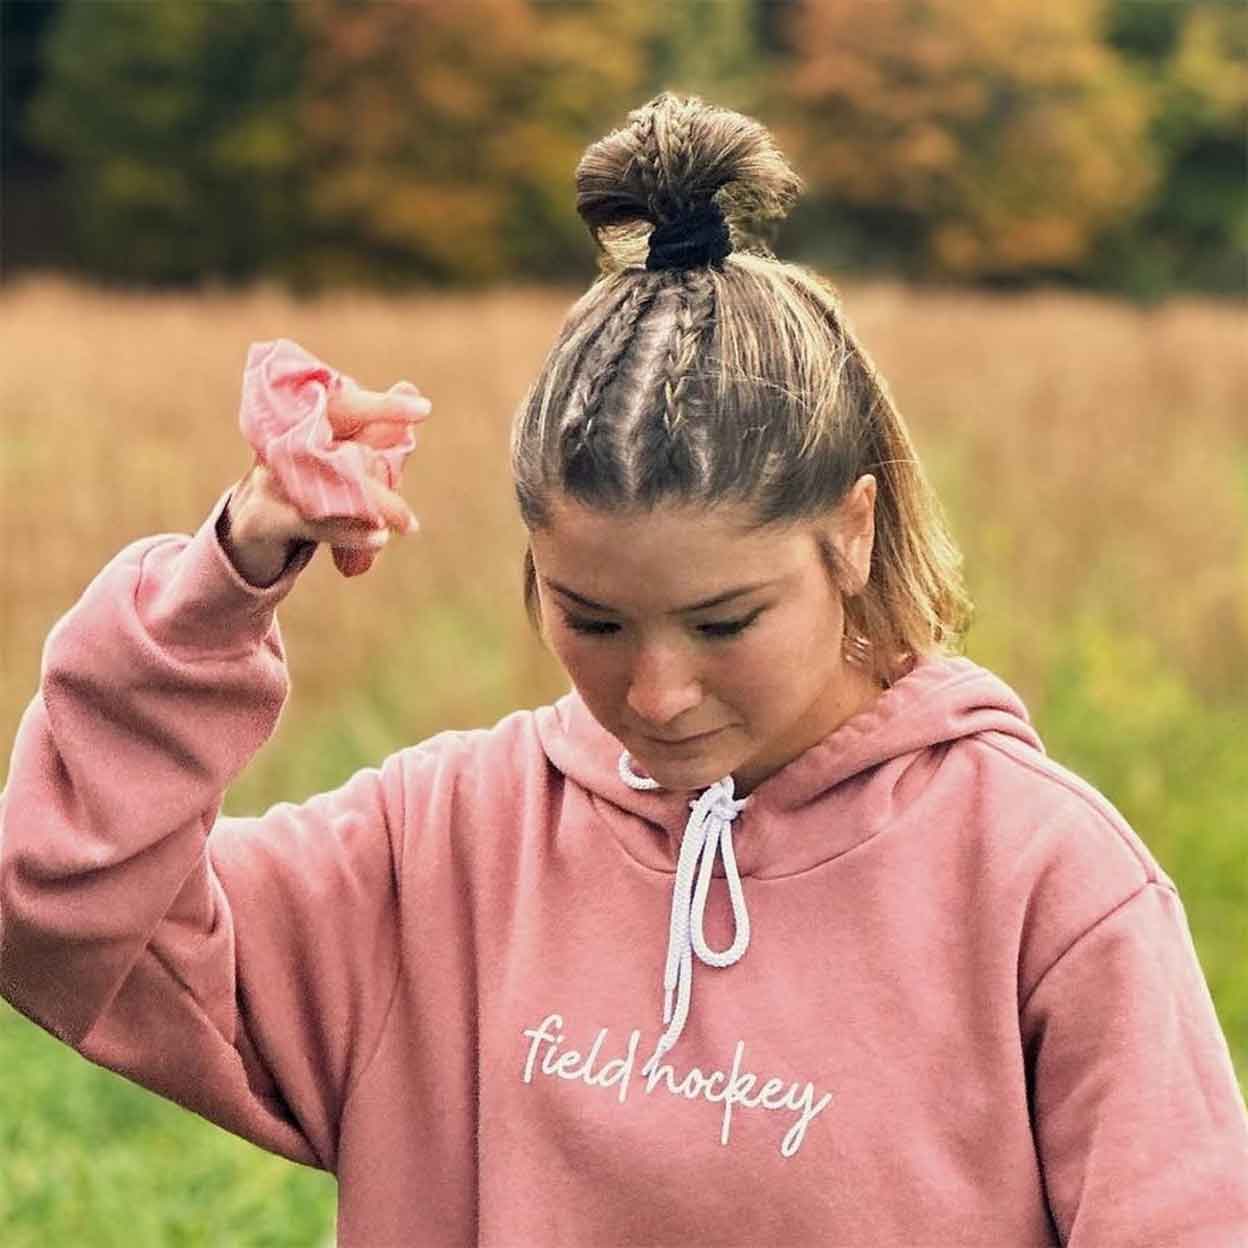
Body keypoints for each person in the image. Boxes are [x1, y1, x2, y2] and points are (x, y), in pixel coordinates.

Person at [1, 91, 1245, 1248]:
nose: (656, 693)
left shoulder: (1042, 883)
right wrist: (220, 583)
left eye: (723, 624)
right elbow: (61, 920)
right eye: (592, 621)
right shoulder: (444, 849)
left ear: (853, 531)